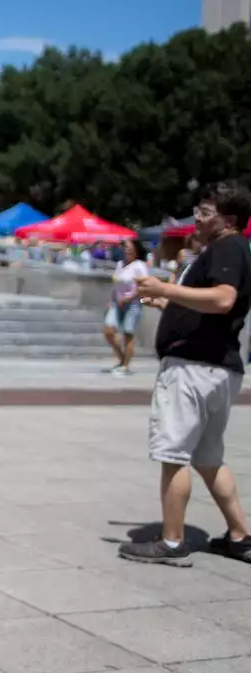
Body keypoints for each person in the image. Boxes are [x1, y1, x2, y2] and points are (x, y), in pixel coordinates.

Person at [119, 182, 251, 566]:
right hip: (217, 368)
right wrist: (164, 300)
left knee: (173, 453)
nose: (198, 217)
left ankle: (172, 542)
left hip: (193, 368)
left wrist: (166, 288)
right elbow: (209, 307)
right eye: (198, 209)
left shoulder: (226, 247)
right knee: (209, 458)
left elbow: (223, 299)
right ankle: (241, 537)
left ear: (229, 220)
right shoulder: (229, 250)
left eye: (206, 212)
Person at [103, 239, 151, 375]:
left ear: (136, 251)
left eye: (130, 248)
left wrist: (130, 297)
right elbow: (116, 285)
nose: (127, 251)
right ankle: (122, 359)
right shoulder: (120, 264)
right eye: (125, 248)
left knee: (128, 334)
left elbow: (144, 286)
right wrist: (111, 299)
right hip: (117, 303)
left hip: (133, 304)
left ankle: (125, 365)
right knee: (108, 330)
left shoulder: (139, 266)